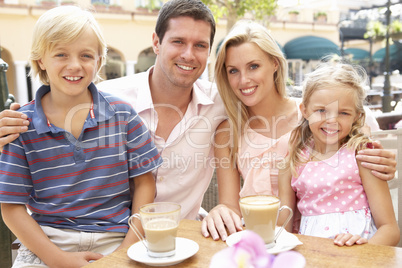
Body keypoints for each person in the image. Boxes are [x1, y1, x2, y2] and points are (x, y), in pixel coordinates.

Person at [0, 2, 395, 222]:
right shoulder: (108, 99)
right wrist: (12, 121)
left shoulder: (228, 107)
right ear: (156, 42)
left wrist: (377, 149)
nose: (189, 55)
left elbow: (340, 121)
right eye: (178, 42)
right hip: (118, 231)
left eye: (201, 46)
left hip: (260, 232)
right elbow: (54, 110)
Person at [201, 20, 397, 241]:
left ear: (275, 63)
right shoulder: (228, 133)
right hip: (262, 242)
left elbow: (365, 158)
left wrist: (388, 163)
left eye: (253, 66)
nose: (244, 80)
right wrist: (220, 211)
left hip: (321, 242)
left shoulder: (317, 113)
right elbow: (230, 205)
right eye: (233, 71)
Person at [0, 6, 162, 267]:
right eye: (61, 54)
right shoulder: (20, 125)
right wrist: (58, 259)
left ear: (99, 60)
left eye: (86, 55)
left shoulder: (123, 115)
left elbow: (145, 184)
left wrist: (125, 251)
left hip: (118, 237)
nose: (74, 65)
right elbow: (11, 207)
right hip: (47, 242)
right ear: (41, 59)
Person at [278, 62, 399, 246]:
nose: (332, 121)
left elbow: (390, 229)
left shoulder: (362, 154)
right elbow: (283, 229)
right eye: (321, 110)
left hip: (359, 259)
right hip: (313, 257)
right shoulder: (293, 160)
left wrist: (363, 254)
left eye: (343, 113)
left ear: (356, 116)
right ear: (304, 111)